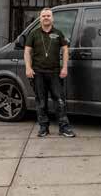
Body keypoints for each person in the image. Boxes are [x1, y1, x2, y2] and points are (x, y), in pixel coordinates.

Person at [24, 8, 76, 138]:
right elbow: (27, 51)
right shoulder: (33, 34)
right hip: (38, 73)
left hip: (55, 73)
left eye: (48, 16)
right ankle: (43, 127)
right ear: (40, 18)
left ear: (52, 18)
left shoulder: (58, 33)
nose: (46, 18)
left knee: (59, 101)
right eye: (43, 16)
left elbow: (65, 50)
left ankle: (64, 127)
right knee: (41, 102)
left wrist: (64, 67)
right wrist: (28, 68)